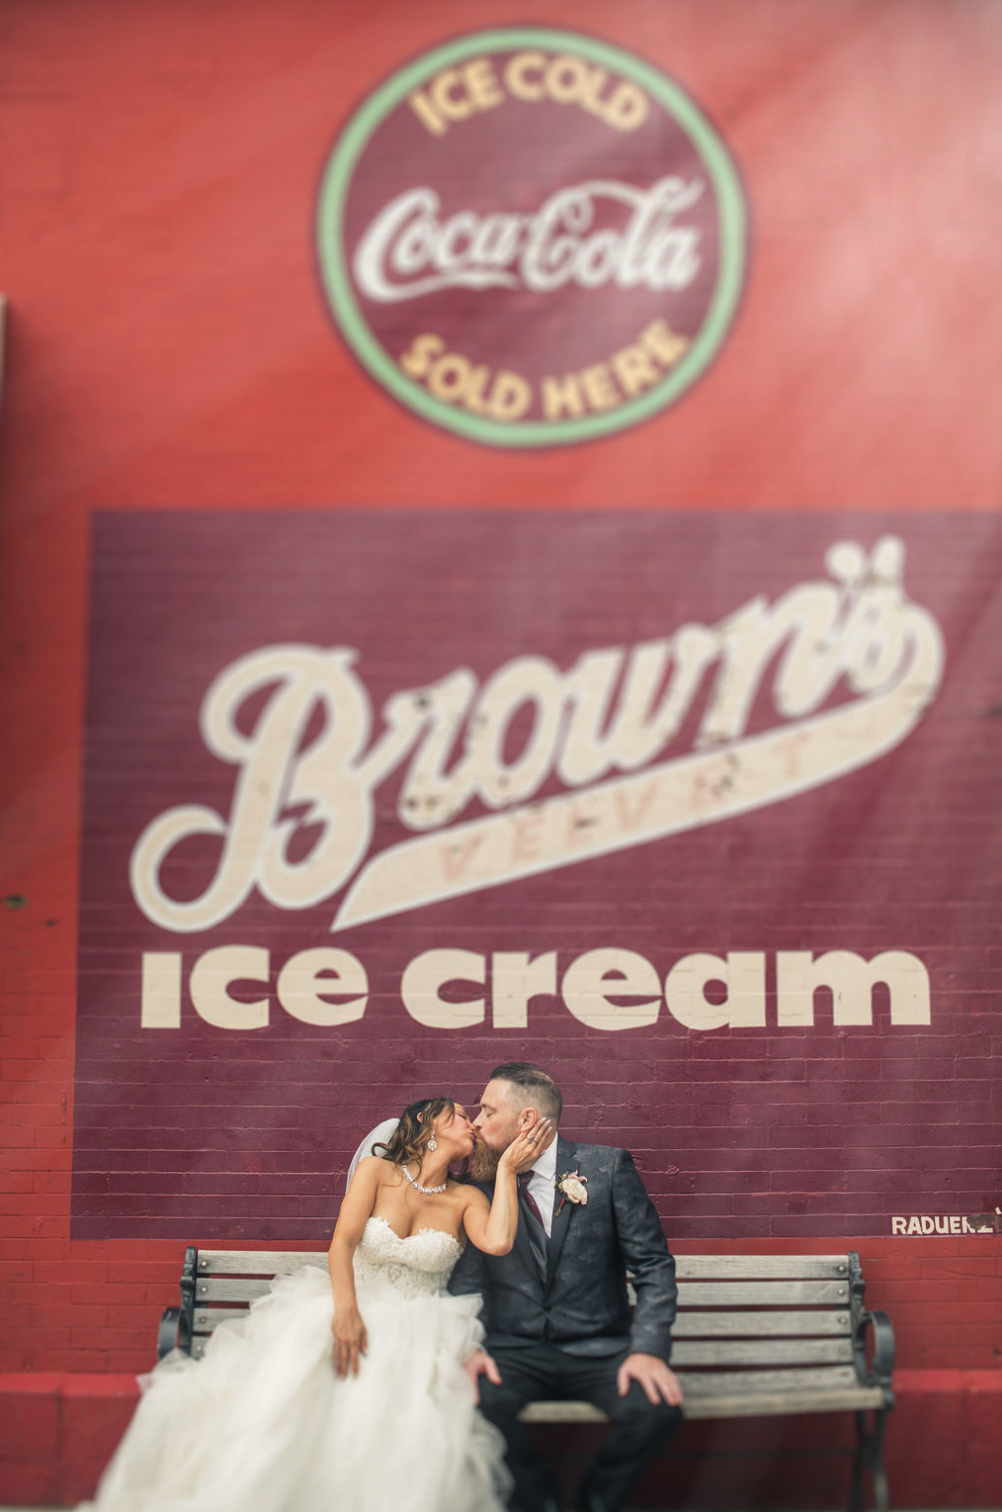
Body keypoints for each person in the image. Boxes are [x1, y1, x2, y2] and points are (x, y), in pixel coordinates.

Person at [78, 1096, 552, 1512]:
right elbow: (341, 1246)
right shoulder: (376, 1172)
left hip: (419, 1326)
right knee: (299, 1391)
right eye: (460, 1117)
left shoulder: (466, 1197)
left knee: (403, 1416)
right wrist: (345, 1312)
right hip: (349, 1305)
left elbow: (499, 1241)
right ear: (428, 1128)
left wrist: (507, 1170)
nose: (472, 1124)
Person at [449, 1063, 683, 1512]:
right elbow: (469, 1278)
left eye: (486, 1110)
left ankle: (593, 1502)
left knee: (657, 1412)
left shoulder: (607, 1168)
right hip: (512, 1352)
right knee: (470, 1405)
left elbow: (653, 1265)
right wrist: (469, 1346)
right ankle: (543, 1504)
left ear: (526, 1120)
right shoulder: (478, 1183)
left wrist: (647, 1349)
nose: (476, 1122)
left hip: (600, 1349)